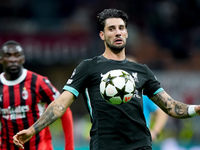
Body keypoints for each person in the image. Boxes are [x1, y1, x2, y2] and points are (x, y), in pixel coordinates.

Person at [13, 8, 200, 150]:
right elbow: (61, 103)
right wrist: (32, 130)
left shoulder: (142, 71)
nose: (118, 32)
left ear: (126, 33)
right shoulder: (88, 67)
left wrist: (196, 109)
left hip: (140, 145)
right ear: (102, 35)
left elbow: (171, 107)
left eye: (121, 28)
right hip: (104, 145)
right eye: (111, 29)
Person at [0, 40, 74, 150]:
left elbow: (64, 109)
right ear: (1, 60)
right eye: (8, 56)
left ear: (23, 59)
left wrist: (69, 147)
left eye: (17, 55)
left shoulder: (38, 82)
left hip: (39, 147)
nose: (13, 59)